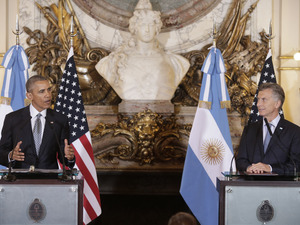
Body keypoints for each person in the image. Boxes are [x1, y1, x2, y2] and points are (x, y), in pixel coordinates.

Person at [95, 0, 190, 101]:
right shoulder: (114, 61)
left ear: (157, 28)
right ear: (135, 28)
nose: (147, 30)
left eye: (151, 25)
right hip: (128, 111)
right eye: (142, 25)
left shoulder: (176, 62)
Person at [0, 75, 75, 169]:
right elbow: (2, 151)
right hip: (20, 180)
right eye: (42, 91)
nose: (48, 95)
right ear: (29, 96)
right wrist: (10, 155)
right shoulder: (13, 119)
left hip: (49, 180)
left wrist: (69, 157)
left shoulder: (60, 120)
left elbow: (64, 157)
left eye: (49, 89)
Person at [236, 83, 300, 174]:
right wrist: (249, 167)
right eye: (258, 99)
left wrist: (269, 168)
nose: (258, 104)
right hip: (251, 185)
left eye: (264, 100)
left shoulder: (294, 132)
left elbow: (296, 165)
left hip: (280, 186)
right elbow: (240, 160)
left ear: (277, 103)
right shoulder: (249, 129)